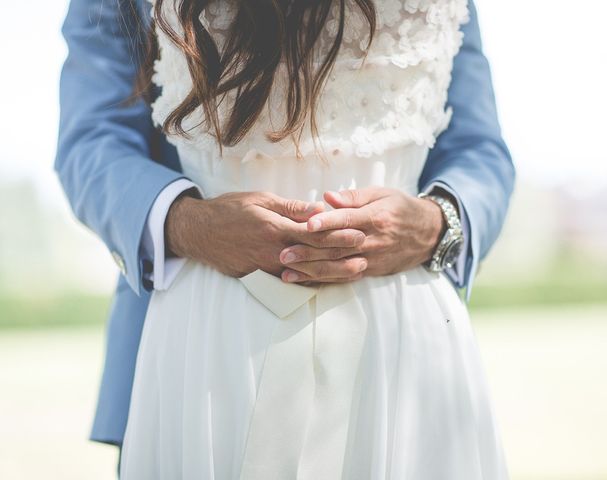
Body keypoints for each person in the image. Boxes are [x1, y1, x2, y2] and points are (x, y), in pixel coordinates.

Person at [55, 0, 515, 477]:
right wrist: (188, 224)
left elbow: (480, 150)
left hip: (403, 328)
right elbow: (91, 140)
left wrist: (434, 224)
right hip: (206, 335)